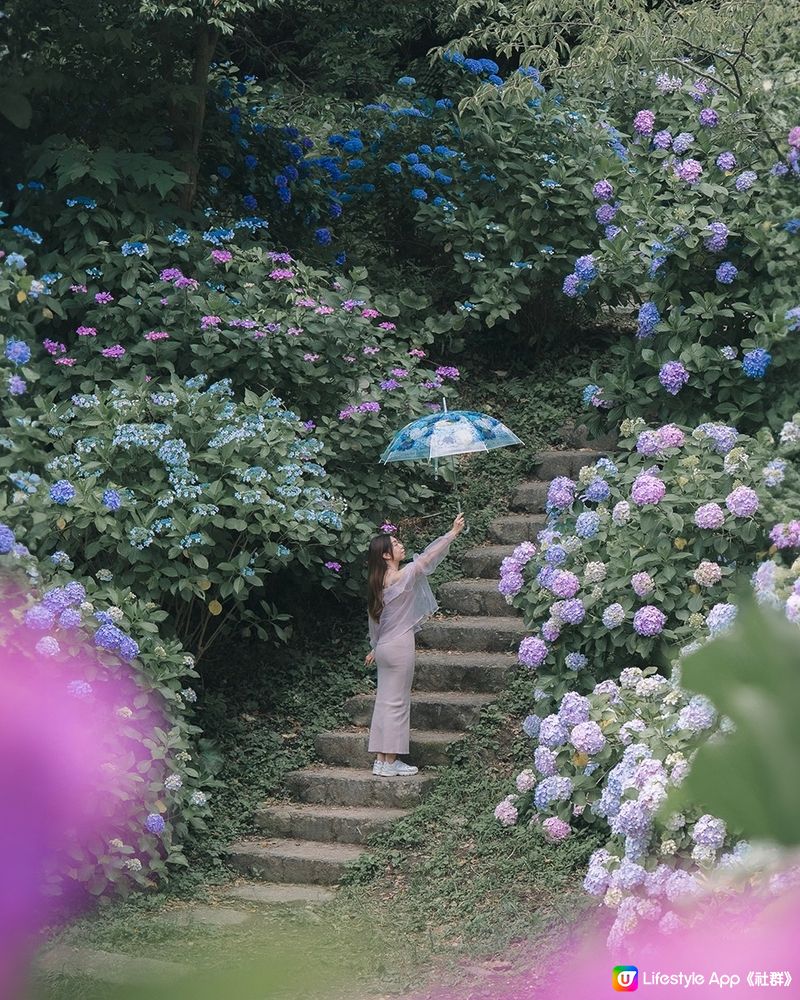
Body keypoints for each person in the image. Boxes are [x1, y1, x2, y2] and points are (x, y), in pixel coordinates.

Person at [364, 513, 466, 777]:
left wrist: (375, 647)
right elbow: (428, 558)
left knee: (385, 701)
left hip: (385, 647)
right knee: (397, 702)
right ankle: (391, 761)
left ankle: (380, 759)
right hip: (399, 646)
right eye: (395, 544)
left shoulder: (378, 583)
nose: (400, 546)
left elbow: (376, 622)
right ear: (386, 555)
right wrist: (452, 533)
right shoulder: (401, 577)